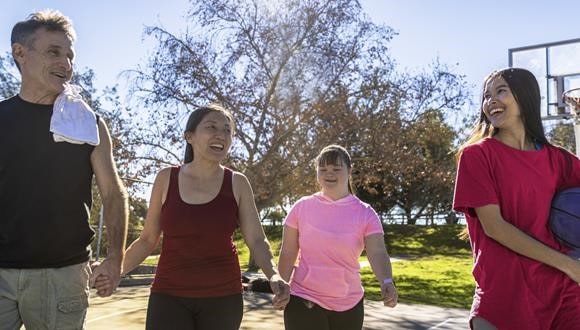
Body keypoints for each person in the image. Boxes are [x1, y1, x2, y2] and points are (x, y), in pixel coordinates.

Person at [0, 9, 128, 330]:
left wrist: (114, 259)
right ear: (20, 53)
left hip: (62, 275)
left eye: (70, 56)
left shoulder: (88, 124)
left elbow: (113, 194)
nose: (66, 64)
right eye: (54, 52)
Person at [121, 104, 290, 330]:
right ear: (189, 136)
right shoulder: (165, 178)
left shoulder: (237, 182)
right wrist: (115, 270)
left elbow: (257, 240)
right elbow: (147, 240)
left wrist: (274, 275)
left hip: (223, 297)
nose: (221, 134)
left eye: (227, 130)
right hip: (169, 295)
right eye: (211, 127)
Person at [453, 67, 580, 330]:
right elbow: (495, 228)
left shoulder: (558, 159)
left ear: (525, 97)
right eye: (486, 96)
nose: (491, 101)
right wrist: (569, 265)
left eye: (501, 91)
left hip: (563, 295)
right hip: (505, 297)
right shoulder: (477, 156)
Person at [278, 145, 398, 330]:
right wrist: (282, 285)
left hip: (349, 304)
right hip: (304, 298)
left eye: (336, 169)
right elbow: (288, 252)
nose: (329, 174)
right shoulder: (301, 207)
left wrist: (387, 281)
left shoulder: (365, 213)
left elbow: (378, 253)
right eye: (323, 169)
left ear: (349, 171)